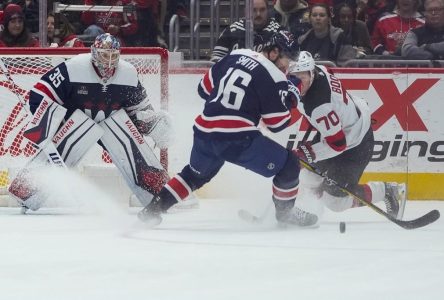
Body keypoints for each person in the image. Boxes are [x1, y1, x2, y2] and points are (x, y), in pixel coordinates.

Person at [138, 30, 318, 227]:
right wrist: (292, 96)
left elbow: (203, 89)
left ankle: (152, 210)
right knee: (290, 163)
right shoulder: (275, 76)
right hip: (237, 139)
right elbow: (278, 124)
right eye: (287, 59)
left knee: (194, 175)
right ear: (274, 52)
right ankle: (285, 214)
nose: (288, 67)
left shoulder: (236, 54)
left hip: (204, 132)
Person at [9, 33, 173, 211]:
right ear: (94, 53)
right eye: (104, 55)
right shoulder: (74, 67)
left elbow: (140, 110)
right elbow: (39, 94)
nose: (109, 62)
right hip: (74, 124)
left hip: (112, 123)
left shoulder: (129, 74)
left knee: (123, 131)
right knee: (75, 132)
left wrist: (151, 123)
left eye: (113, 56)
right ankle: (27, 190)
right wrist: (48, 125)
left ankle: (161, 194)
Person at [286, 51, 405, 218]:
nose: (298, 83)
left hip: (356, 143)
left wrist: (305, 153)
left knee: (336, 202)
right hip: (342, 127)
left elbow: (338, 144)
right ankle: (321, 200)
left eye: (302, 77)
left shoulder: (319, 106)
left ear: (311, 73)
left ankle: (385, 190)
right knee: (309, 177)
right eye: (293, 77)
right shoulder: (319, 70)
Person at [211, 0, 282, 63]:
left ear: (267, 10)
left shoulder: (278, 31)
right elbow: (216, 60)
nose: (258, 14)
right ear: (246, 11)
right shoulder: (232, 30)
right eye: (253, 10)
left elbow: (287, 62)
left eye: (262, 10)